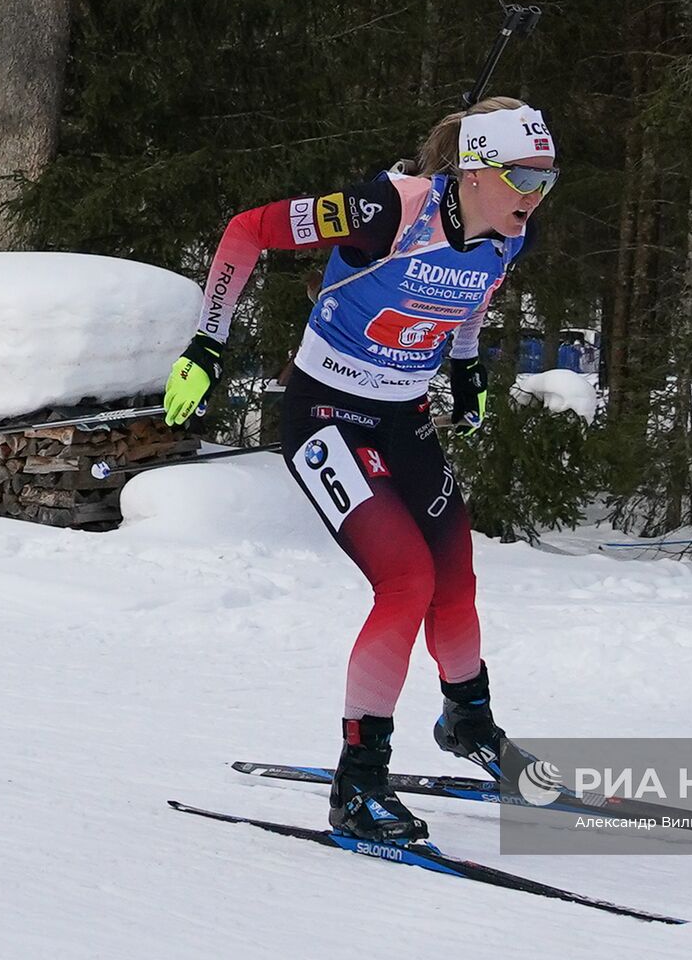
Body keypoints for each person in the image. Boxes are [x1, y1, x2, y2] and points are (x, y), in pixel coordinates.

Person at [163, 98, 558, 844]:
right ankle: (360, 781)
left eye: (548, 178)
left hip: (404, 416)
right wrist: (208, 344)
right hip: (326, 417)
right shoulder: (383, 209)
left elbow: (472, 296)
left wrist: (468, 369)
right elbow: (248, 229)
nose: (534, 196)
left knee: (455, 572)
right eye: (522, 176)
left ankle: (467, 719)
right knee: (405, 579)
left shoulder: (512, 232)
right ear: (474, 171)